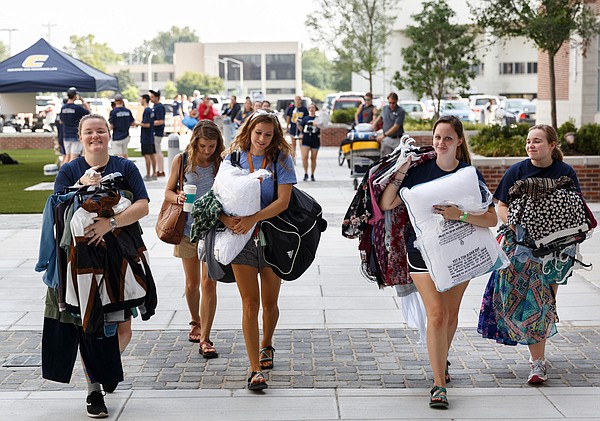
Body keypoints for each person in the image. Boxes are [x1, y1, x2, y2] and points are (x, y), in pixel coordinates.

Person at [378, 116, 498, 408]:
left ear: (459, 141)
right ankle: (439, 385)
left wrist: (461, 215)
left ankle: (440, 361)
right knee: (437, 315)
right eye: (437, 137)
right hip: (421, 253)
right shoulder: (419, 171)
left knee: (451, 315)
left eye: (447, 138)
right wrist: (401, 170)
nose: (440, 143)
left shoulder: (469, 175)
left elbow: (492, 218)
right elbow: (387, 203)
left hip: (459, 253)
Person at [52, 113, 150, 417]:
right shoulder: (70, 170)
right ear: (80, 137)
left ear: (109, 134)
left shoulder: (125, 167)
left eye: (100, 131)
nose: (95, 137)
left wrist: (111, 223)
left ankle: (105, 368)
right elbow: (55, 208)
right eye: (89, 132)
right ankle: (94, 389)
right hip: (81, 263)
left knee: (123, 328)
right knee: (90, 327)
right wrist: (80, 185)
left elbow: (144, 206)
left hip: (120, 258)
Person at [478, 124, 581, 385]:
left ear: (552, 145)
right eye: (528, 141)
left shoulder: (565, 172)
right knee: (536, 300)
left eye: (537, 141)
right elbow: (500, 206)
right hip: (522, 249)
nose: (530, 146)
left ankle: (538, 356)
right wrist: (513, 223)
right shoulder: (518, 171)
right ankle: (538, 362)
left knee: (546, 301)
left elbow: (575, 210)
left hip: (556, 250)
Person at [223, 109, 296, 390]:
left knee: (270, 301)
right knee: (249, 303)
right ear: (248, 131)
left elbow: (283, 202)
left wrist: (253, 218)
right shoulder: (233, 158)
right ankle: (254, 369)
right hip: (239, 239)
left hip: (271, 236)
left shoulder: (281, 159)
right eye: (258, 133)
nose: (262, 139)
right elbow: (219, 196)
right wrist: (227, 220)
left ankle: (267, 344)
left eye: (268, 134)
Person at [164, 120, 225, 357]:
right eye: (203, 146)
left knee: (209, 282)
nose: (207, 151)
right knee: (192, 284)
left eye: (211, 146)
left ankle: (206, 338)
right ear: (195, 143)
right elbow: (168, 192)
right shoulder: (181, 161)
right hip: (187, 229)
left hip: (213, 230)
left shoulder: (221, 163)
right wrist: (177, 197)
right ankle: (195, 321)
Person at [60, 87, 90, 163]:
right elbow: (89, 112)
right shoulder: (77, 108)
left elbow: (61, 121)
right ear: (75, 96)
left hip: (66, 134)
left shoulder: (63, 108)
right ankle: (69, 174)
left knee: (67, 156)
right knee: (73, 158)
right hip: (75, 135)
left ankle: (62, 173)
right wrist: (83, 101)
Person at [372, 92, 405, 156]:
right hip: (386, 139)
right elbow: (381, 117)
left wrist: (384, 135)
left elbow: (396, 126)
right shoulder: (385, 109)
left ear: (396, 101)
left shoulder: (400, 111)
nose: (391, 105)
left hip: (396, 139)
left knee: (397, 159)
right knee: (386, 160)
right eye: (390, 103)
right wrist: (374, 123)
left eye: (393, 103)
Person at [298, 103, 321, 182]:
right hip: (306, 138)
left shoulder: (318, 118)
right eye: (310, 108)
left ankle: (312, 174)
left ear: (315, 109)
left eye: (313, 108)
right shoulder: (305, 118)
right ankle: (305, 173)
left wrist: (316, 124)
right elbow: (301, 128)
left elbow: (322, 126)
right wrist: (298, 124)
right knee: (304, 157)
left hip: (315, 139)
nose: (311, 109)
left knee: (313, 158)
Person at [108, 94, 135, 159]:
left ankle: (122, 168)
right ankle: (127, 168)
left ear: (115, 102)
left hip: (117, 136)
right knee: (125, 154)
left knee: (119, 155)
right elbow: (132, 123)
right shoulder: (128, 111)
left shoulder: (113, 112)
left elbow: (111, 125)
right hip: (126, 135)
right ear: (122, 101)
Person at [139, 94, 156, 181]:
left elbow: (147, 124)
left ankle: (148, 174)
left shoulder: (146, 111)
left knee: (147, 156)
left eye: (141, 99)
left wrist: (138, 123)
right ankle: (154, 173)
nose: (140, 100)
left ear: (144, 100)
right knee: (152, 155)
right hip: (151, 136)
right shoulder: (151, 110)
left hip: (146, 137)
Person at [149, 90, 166, 177]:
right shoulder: (155, 107)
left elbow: (161, 121)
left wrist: (150, 123)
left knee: (157, 150)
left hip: (157, 132)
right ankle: (159, 169)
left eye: (152, 97)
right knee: (156, 150)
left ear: (157, 97)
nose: (151, 98)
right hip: (154, 132)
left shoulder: (159, 107)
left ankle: (160, 170)